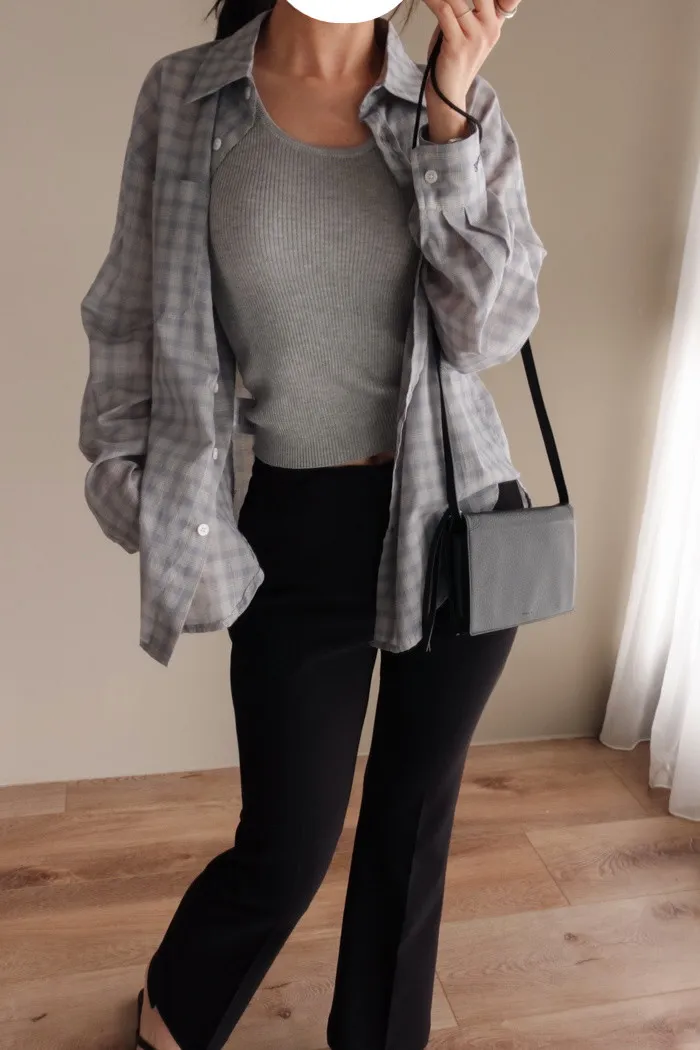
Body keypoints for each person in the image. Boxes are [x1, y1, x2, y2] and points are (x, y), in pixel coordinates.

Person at [79, 0, 543, 1047]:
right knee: (287, 841)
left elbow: (489, 330)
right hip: (294, 516)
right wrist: (129, 485)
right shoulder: (185, 99)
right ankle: (176, 1007)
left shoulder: (456, 108)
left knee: (410, 828)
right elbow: (127, 315)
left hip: (455, 512)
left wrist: (450, 107)